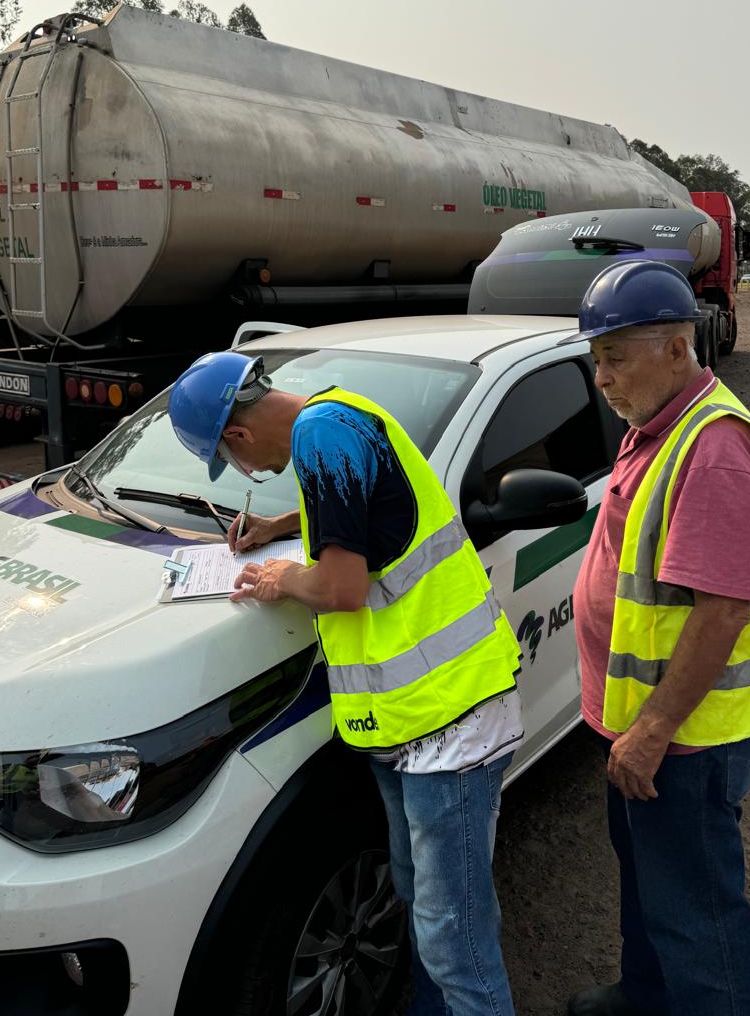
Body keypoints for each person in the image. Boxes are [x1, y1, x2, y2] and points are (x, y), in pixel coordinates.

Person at [168, 352, 524, 1016]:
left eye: (232, 461)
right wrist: (279, 527)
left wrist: (281, 578)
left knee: (456, 943)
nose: (247, 472)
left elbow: (341, 588)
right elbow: (365, 511)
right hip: (411, 717)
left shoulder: (321, 437)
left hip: (451, 717)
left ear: (238, 436)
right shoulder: (335, 417)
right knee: (420, 901)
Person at [562, 261, 750, 1016]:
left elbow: (721, 612)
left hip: (685, 738)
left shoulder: (716, 451)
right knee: (649, 881)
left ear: (676, 347)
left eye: (615, 358)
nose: (602, 378)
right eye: (596, 359)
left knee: (696, 912)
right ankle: (646, 995)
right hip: (638, 721)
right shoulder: (656, 423)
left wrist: (653, 729)